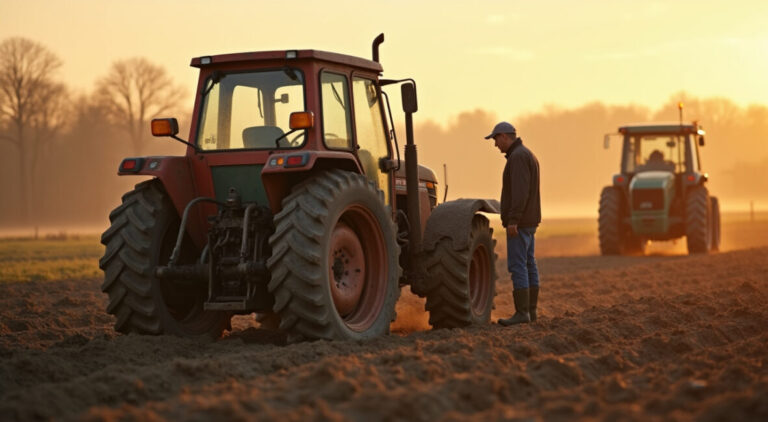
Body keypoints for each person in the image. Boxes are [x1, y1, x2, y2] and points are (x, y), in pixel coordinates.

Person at [484, 122, 542, 326]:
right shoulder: (527, 155)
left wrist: (513, 220)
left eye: (495, 140)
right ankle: (531, 311)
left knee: (518, 265)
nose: (495, 145)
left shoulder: (517, 158)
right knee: (529, 263)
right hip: (529, 220)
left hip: (520, 222)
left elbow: (520, 192)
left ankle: (522, 313)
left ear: (504, 136)